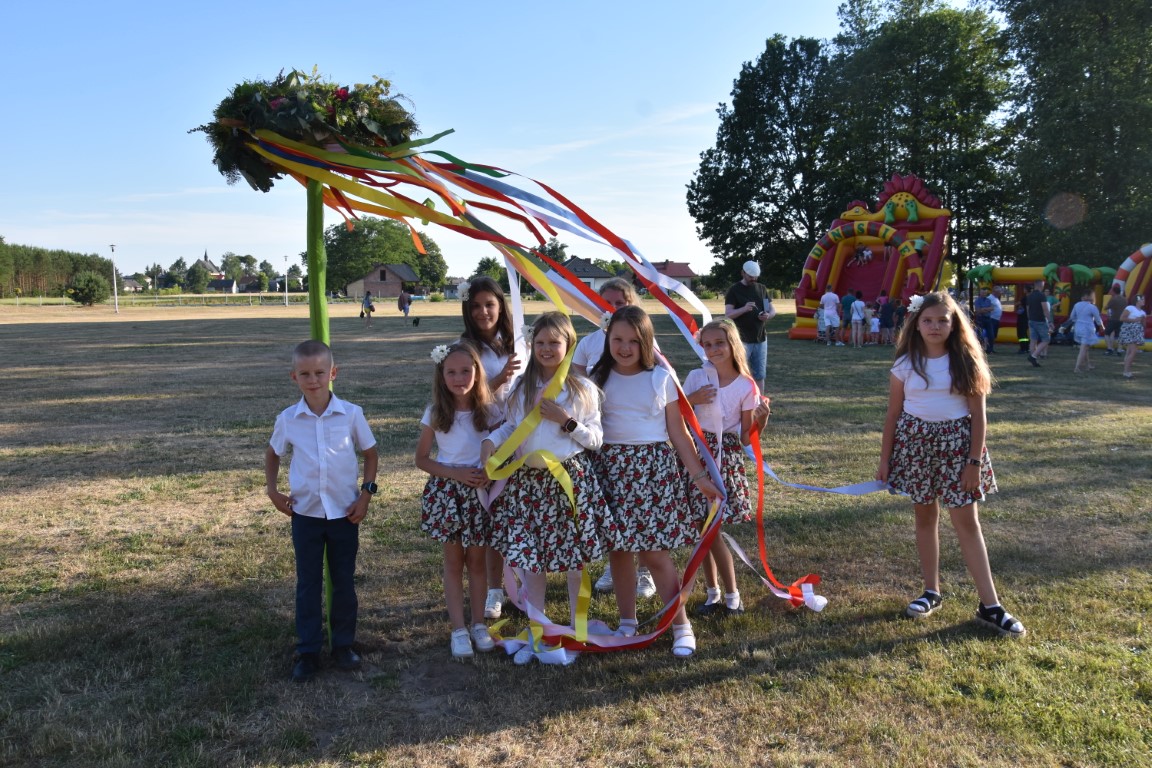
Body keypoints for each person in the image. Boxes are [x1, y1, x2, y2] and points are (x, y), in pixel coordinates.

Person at [876, 292, 1026, 638]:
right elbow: (893, 414)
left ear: (954, 323)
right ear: (916, 323)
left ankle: (990, 605)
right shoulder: (904, 365)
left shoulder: (966, 361)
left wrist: (973, 462)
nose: (935, 326)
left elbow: (978, 416)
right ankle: (931, 591)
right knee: (925, 517)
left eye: (943, 320)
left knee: (966, 523)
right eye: (928, 320)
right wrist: (885, 459)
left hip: (958, 450)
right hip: (915, 449)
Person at [480, 312, 615, 664]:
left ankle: (577, 627)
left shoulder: (582, 389)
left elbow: (596, 440)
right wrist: (491, 441)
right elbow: (511, 428)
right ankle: (537, 629)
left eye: (554, 342)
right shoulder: (521, 388)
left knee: (574, 560)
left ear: (568, 345)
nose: (546, 349)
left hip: (569, 484)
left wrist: (566, 421)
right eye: (539, 343)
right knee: (532, 559)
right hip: (528, 488)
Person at [589, 306, 721, 657]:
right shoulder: (595, 378)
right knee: (620, 552)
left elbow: (679, 434)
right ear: (608, 339)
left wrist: (699, 477)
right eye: (617, 339)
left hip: (653, 473)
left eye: (634, 341)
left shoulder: (661, 379)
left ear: (646, 342)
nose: (625, 347)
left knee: (655, 553)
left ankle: (680, 625)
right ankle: (627, 622)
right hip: (610, 472)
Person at [265, 340, 380, 682]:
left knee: (343, 581)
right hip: (306, 515)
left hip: (346, 514)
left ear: (333, 373)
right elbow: (273, 453)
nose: (313, 380)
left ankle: (343, 645)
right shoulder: (288, 419)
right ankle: (308, 650)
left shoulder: (351, 414)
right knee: (308, 583)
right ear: (294, 377)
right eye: (305, 374)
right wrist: (273, 491)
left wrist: (366, 495)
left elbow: (371, 454)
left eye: (319, 372)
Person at [571, 277, 657, 600]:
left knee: (642, 515)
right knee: (614, 513)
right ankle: (616, 566)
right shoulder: (589, 343)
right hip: (603, 441)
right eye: (605, 302)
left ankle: (645, 572)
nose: (612, 308)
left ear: (631, 304)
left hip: (637, 443)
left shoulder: (640, 340)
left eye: (619, 303)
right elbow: (577, 386)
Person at [415, 342, 501, 659]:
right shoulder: (436, 413)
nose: (459, 377)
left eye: (466, 370)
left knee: (477, 562)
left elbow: (503, 450)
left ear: (478, 372)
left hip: (480, 494)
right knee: (453, 563)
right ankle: (458, 629)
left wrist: (489, 474)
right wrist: (456, 474)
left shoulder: (491, 412)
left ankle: (478, 624)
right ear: (442, 376)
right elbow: (422, 459)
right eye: (451, 371)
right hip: (449, 494)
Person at [683, 319, 769, 617]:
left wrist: (762, 418)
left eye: (719, 343)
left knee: (713, 529)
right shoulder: (696, 376)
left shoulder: (746, 385)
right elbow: (678, 417)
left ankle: (731, 594)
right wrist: (691, 400)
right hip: (696, 455)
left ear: (733, 344)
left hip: (725, 458)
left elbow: (746, 436)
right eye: (707, 344)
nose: (713, 349)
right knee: (700, 528)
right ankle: (713, 593)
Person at [459, 276, 522, 620]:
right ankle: (495, 589)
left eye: (490, 305)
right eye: (476, 306)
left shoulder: (515, 340)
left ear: (501, 307)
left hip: (522, 439)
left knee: (522, 516)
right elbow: (462, 395)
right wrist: (497, 381)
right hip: (486, 440)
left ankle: (526, 582)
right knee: (493, 518)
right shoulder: (466, 347)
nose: (483, 312)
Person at [723, 261, 776, 393]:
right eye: (750, 276)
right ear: (743, 273)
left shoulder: (762, 289)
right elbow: (728, 314)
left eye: (755, 276)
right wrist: (744, 309)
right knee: (739, 373)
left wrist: (767, 316)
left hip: (761, 339)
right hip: (742, 340)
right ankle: (738, 404)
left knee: (759, 374)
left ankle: (760, 404)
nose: (753, 279)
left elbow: (772, 310)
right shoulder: (734, 290)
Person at [1063, 290, 1105, 373]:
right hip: (1087, 328)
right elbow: (1098, 319)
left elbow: (1072, 317)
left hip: (1078, 327)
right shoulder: (1092, 307)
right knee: (1083, 348)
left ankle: (1088, 365)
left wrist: (1078, 321)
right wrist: (1102, 327)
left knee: (1085, 347)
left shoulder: (1076, 305)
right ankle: (1077, 367)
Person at [1025, 279, 1052, 367]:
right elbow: (1045, 310)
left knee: (1033, 340)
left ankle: (1034, 360)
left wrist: (1029, 319)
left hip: (1031, 320)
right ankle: (1033, 356)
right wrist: (1050, 321)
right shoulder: (1041, 295)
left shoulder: (1029, 296)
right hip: (1040, 321)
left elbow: (1028, 309)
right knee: (1046, 340)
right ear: (1041, 285)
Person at [1119, 294, 1146, 379]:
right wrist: (1134, 320)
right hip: (1129, 330)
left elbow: (1144, 325)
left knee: (1129, 351)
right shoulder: (1130, 308)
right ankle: (1127, 371)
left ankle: (1126, 370)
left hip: (1137, 331)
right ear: (1137, 300)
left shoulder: (1143, 312)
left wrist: (1142, 320)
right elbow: (1122, 318)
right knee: (1133, 351)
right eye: (1142, 299)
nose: (1144, 301)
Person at [1104, 284, 1127, 355]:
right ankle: (1119, 349)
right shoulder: (1124, 299)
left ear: (1114, 292)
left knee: (1107, 333)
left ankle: (1109, 348)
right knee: (1120, 334)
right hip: (1122, 319)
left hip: (1113, 319)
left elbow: (1106, 307)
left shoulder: (1113, 299)